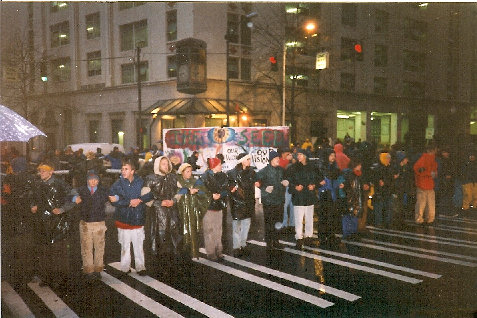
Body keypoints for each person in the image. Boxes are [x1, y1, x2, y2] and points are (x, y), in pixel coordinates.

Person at [29, 162, 75, 288]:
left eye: (44, 171)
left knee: (58, 252)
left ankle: (62, 278)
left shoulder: (60, 183)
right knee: (45, 251)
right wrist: (33, 205)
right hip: (43, 222)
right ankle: (47, 277)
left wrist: (62, 209)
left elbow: (74, 196)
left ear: (51, 172)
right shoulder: (38, 184)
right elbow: (32, 196)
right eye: (40, 171)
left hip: (58, 223)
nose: (41, 173)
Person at [109, 158, 153, 276]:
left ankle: (140, 267)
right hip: (123, 218)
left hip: (138, 218)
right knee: (125, 245)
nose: (123, 171)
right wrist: (128, 202)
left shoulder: (141, 181)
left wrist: (139, 200)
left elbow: (150, 194)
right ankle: (124, 267)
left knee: (139, 245)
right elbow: (113, 200)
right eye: (122, 169)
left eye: (126, 169)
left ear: (133, 171)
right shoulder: (117, 184)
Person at [72, 170, 109, 281]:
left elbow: (115, 194)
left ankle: (98, 269)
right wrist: (74, 198)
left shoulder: (103, 191)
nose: (93, 182)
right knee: (86, 247)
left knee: (99, 247)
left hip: (99, 223)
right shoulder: (81, 190)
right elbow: (70, 192)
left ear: (98, 181)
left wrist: (116, 197)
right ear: (87, 180)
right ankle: (88, 270)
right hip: (85, 224)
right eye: (90, 179)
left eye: (95, 179)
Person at [143, 156, 181, 261]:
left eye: (167, 163)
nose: (166, 166)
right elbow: (145, 197)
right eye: (163, 164)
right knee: (159, 238)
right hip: (156, 215)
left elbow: (180, 192)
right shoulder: (150, 179)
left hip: (172, 213)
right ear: (158, 165)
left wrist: (173, 200)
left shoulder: (173, 177)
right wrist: (159, 203)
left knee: (173, 237)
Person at [176, 163, 209, 260]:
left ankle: (193, 252)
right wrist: (187, 191)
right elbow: (175, 192)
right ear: (182, 172)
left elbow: (204, 192)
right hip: (181, 211)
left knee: (194, 231)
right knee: (182, 231)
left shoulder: (195, 181)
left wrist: (197, 191)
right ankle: (184, 253)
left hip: (193, 210)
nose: (190, 173)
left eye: (190, 171)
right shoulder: (177, 181)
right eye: (187, 171)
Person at [256, 150, 287, 252]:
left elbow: (286, 179)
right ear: (271, 160)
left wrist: (286, 182)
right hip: (269, 201)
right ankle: (269, 243)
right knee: (269, 222)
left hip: (279, 200)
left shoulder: (281, 170)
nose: (278, 160)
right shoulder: (264, 170)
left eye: (278, 158)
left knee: (278, 222)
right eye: (276, 158)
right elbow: (255, 180)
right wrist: (264, 188)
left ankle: (276, 241)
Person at [287, 148, 318, 249]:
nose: (298, 156)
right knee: (298, 219)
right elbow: (289, 181)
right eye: (298, 154)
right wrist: (295, 187)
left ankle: (309, 237)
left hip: (309, 196)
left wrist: (314, 186)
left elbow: (318, 179)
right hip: (299, 197)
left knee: (309, 218)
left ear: (305, 156)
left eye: (300, 154)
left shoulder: (312, 167)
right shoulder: (293, 167)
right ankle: (299, 239)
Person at [227, 153, 256, 257]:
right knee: (237, 225)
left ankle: (243, 244)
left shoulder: (251, 172)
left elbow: (253, 185)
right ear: (242, 160)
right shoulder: (232, 173)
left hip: (248, 202)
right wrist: (231, 189)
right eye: (248, 159)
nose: (249, 161)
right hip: (237, 202)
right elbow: (228, 186)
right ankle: (236, 246)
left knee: (246, 225)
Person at [201, 157, 228, 261]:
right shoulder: (204, 177)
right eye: (219, 164)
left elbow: (226, 189)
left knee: (218, 230)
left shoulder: (223, 175)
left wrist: (220, 195)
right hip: (208, 208)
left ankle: (219, 250)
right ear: (214, 166)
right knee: (209, 230)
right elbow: (200, 191)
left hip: (219, 206)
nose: (221, 166)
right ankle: (211, 252)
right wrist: (211, 195)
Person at [413, 144, 438, 225]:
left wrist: (428, 173)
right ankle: (430, 218)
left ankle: (419, 219)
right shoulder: (432, 160)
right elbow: (432, 172)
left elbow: (417, 170)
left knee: (421, 203)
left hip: (422, 184)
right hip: (428, 184)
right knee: (430, 203)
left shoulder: (423, 159)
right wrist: (431, 174)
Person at [371, 152, 395, 228]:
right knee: (379, 207)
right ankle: (379, 222)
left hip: (388, 190)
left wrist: (385, 182)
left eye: (389, 158)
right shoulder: (378, 168)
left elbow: (390, 179)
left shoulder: (389, 167)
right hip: (380, 191)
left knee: (388, 207)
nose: (389, 159)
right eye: (387, 158)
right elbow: (377, 180)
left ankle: (387, 222)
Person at [278, 147, 295, 232]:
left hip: (292, 185)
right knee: (285, 205)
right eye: (287, 153)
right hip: (285, 186)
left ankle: (292, 224)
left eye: (289, 153)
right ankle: (285, 224)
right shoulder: (281, 161)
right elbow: (281, 171)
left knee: (292, 205)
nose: (289, 155)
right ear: (283, 153)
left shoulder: (291, 161)